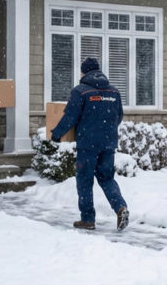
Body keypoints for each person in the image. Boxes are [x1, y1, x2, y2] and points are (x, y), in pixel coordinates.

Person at [50, 58, 129, 232]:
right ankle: (120, 207)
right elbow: (119, 116)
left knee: (84, 181)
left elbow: (70, 116)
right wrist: (106, 131)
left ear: (84, 72)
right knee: (107, 179)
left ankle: (87, 219)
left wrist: (56, 134)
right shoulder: (114, 91)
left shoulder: (81, 91)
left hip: (88, 144)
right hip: (108, 144)